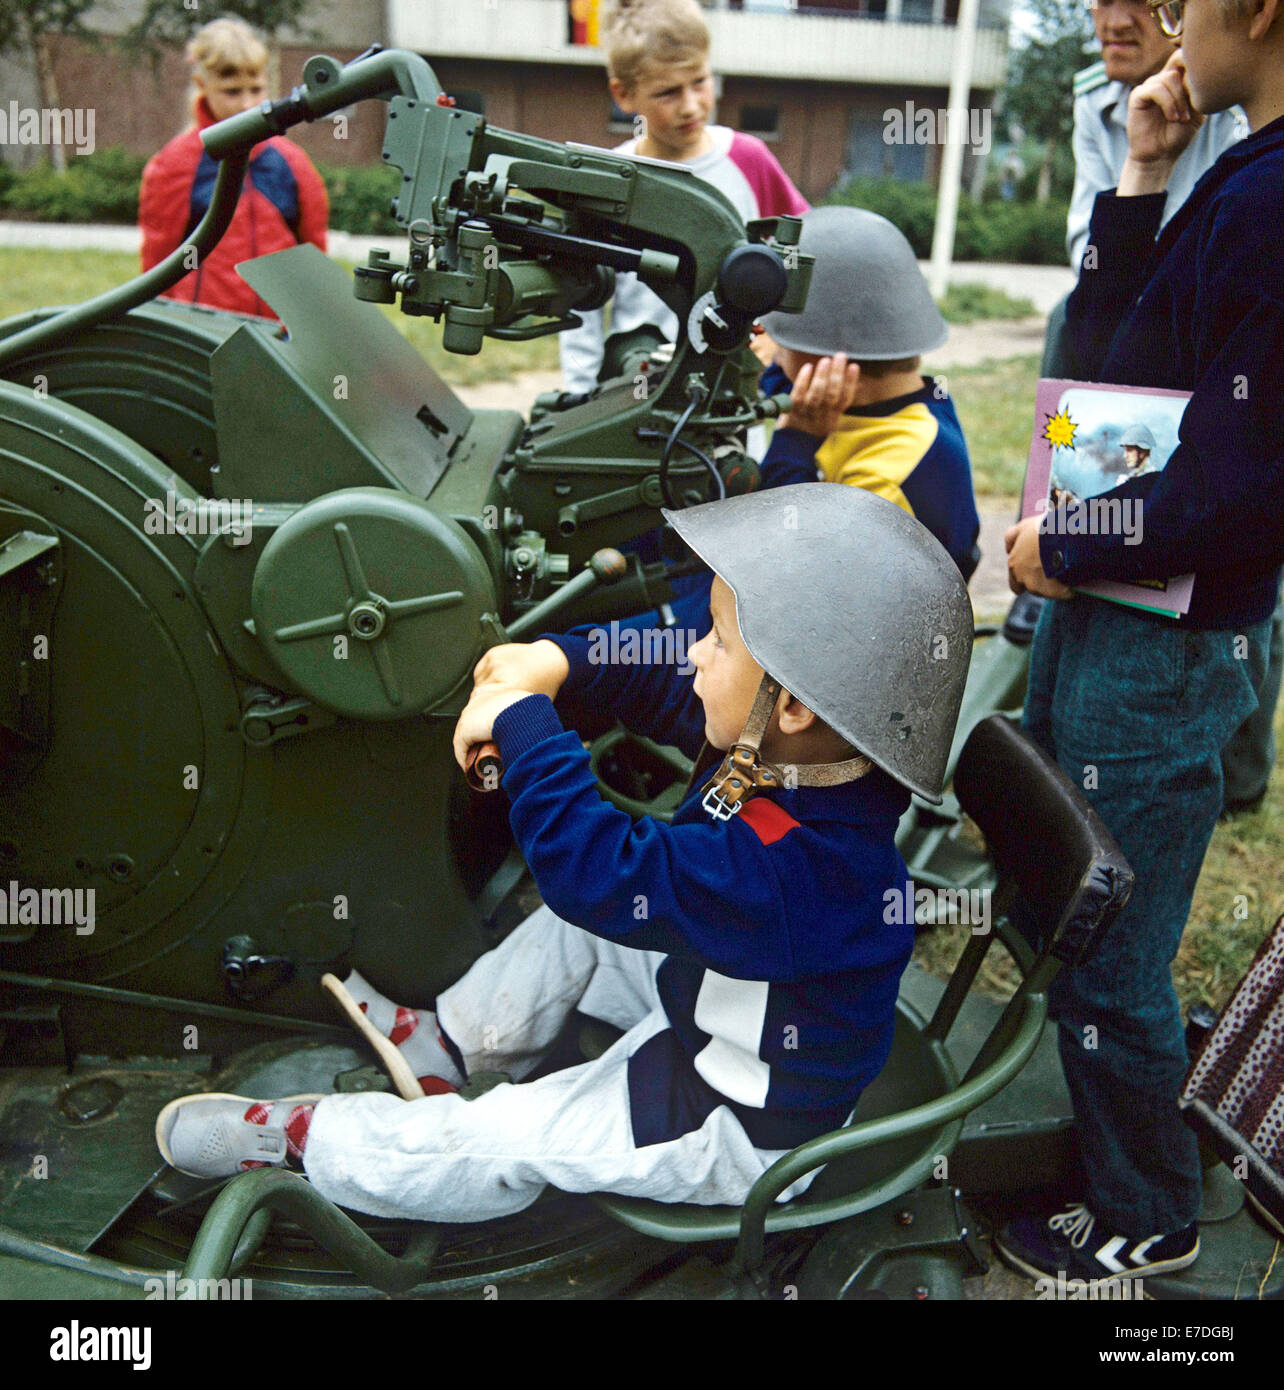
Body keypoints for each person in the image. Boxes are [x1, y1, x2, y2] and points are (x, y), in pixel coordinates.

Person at [153, 484, 973, 1222]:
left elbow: (599, 873)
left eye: (718, 642)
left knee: (507, 1137)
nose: (694, 652)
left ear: (789, 703)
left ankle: (308, 1144)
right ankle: (446, 1044)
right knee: (577, 935)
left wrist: (522, 722)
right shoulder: (799, 753)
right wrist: (560, 661)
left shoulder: (811, 874)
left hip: (733, 1113)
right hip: (718, 994)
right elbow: (661, 679)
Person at [999, 0, 1284, 1287]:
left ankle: (1149, 1211)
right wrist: (1145, 172)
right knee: (1070, 893)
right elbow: (1112, 366)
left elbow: (1238, 483)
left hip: (1162, 640)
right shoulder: (1237, 168)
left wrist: (1068, 542)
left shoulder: (1278, 194)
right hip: (1122, 610)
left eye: (1184, 0)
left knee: (1112, 936)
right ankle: (1127, 1129)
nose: (1168, 26)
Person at [558, 0, 808, 396]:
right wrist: (578, 396)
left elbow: (802, 250)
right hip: (633, 389)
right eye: (667, 93)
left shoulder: (749, 158)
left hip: (728, 399)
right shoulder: (606, 179)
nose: (690, 105)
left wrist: (777, 336)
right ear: (623, 95)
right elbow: (581, 302)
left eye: (700, 81)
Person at [752, 206, 981, 581]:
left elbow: (788, 568)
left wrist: (795, 440)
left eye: (784, 341)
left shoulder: (887, 480)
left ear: (831, 366)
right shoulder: (914, 398)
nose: (775, 350)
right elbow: (795, 379)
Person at [138, 17, 329, 319]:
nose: (246, 105)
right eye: (231, 91)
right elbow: (157, 264)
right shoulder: (174, 165)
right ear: (203, 85)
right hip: (202, 330)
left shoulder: (293, 164)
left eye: (256, 89)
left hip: (275, 331)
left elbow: (313, 255)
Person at [1066, 0, 1246, 273]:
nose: (1116, 23)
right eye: (1102, 1)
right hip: (1130, 299)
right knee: (1065, 316)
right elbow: (1087, 253)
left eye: (1140, 1)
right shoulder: (1095, 102)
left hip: (1203, 304)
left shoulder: (1238, 104)